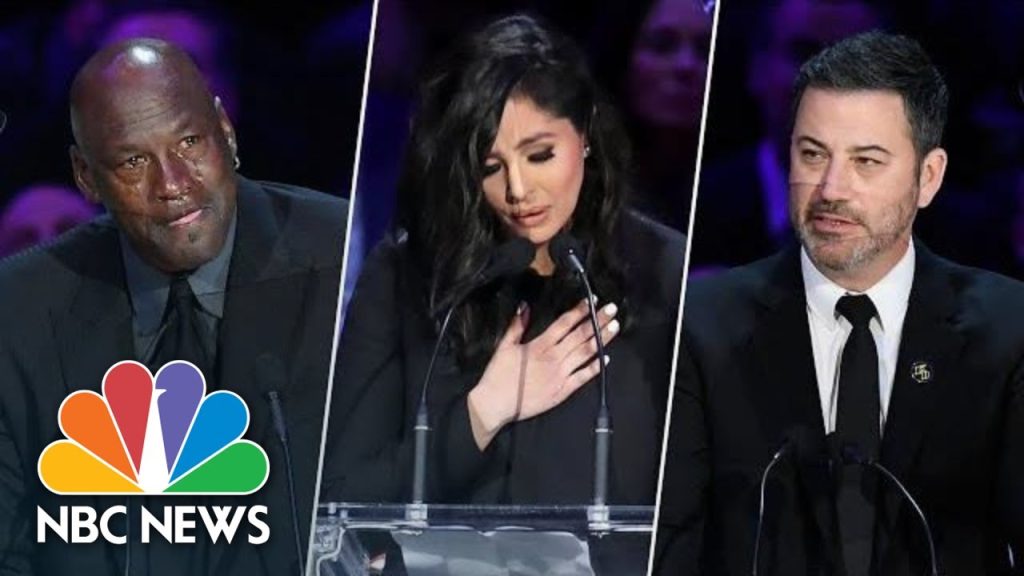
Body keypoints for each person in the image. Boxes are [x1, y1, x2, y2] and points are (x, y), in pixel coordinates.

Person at [321, 13, 685, 567]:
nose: (518, 191)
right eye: (491, 167)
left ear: (584, 135)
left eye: (541, 156)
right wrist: (482, 412)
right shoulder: (406, 275)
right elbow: (342, 500)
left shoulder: (663, 270)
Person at [654, 31, 1024, 575]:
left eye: (866, 162)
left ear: (928, 177)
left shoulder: (1008, 329)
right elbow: (670, 551)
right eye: (812, 154)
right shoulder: (703, 325)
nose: (830, 188)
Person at [0, 38, 347, 575]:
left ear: (225, 131)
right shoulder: (19, 311)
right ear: (86, 176)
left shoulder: (341, 262)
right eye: (134, 161)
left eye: (189, 142)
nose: (173, 184)